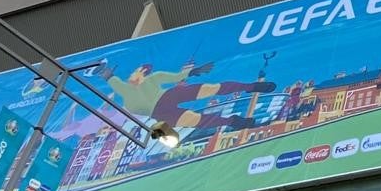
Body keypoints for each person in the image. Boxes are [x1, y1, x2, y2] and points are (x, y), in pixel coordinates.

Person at [98, 60, 279, 133]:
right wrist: (102, 70)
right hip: (160, 114)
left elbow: (174, 77)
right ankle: (234, 121)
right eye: (140, 70)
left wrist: (192, 71)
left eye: (144, 71)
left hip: (168, 96)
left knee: (211, 89)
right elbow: (109, 77)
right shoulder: (123, 89)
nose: (141, 73)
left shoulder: (151, 79)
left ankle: (252, 86)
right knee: (196, 120)